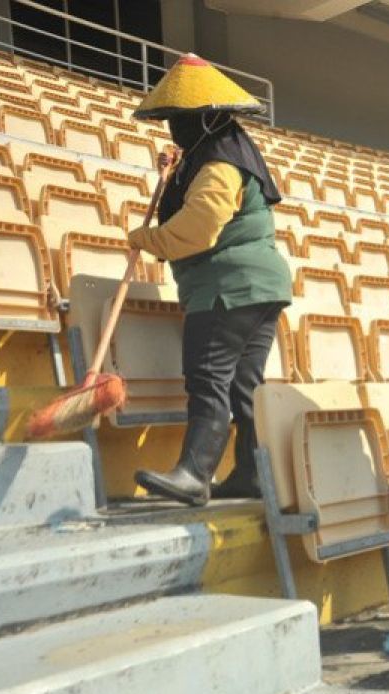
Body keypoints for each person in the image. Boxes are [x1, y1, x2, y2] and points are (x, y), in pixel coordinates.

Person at [127, 54, 291, 506]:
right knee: (244, 388)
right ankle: (252, 476)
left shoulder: (218, 161)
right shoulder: (225, 148)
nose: (173, 129)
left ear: (202, 117)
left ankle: (194, 474)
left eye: (179, 120)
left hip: (227, 288)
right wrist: (177, 167)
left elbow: (200, 227)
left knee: (209, 378)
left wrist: (147, 238)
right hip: (261, 287)